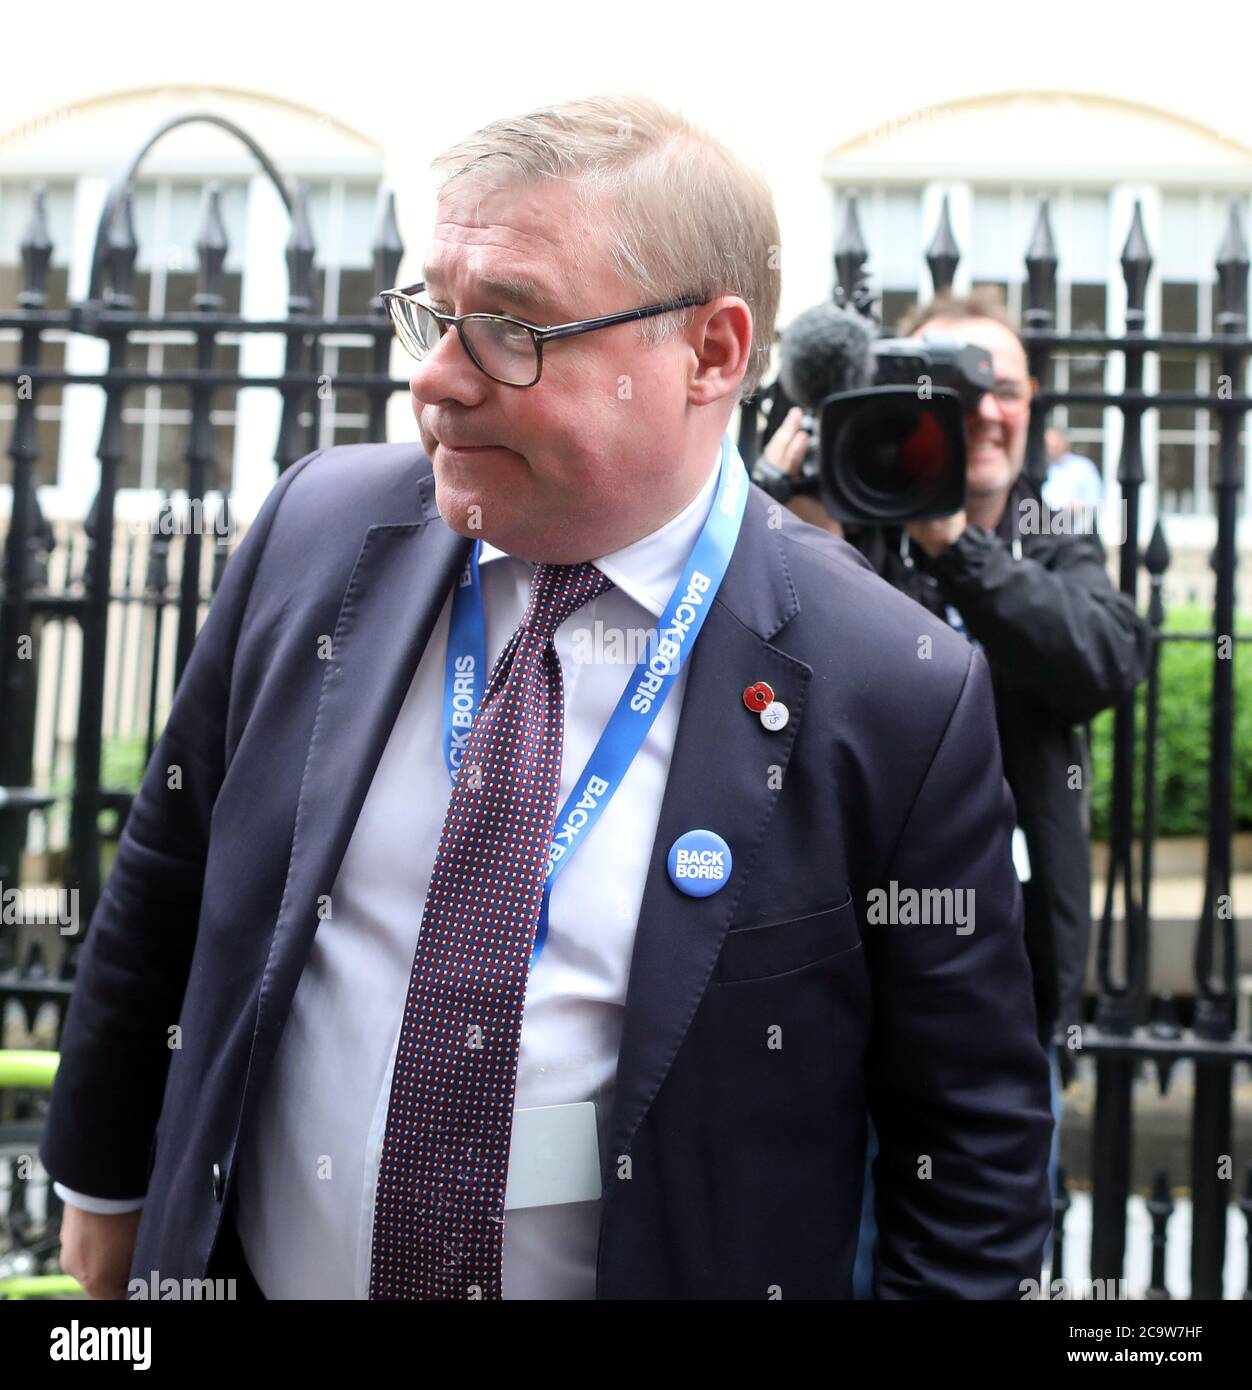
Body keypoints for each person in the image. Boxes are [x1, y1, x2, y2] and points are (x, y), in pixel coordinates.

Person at [42, 97, 1052, 1302]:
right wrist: (106, 1185)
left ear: (711, 354)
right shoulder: (316, 530)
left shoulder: (890, 683)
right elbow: (167, 875)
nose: (436, 382)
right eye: (434, 313)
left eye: (511, 329)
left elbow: (974, 1145)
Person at [766, 287, 1152, 1284]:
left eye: (1005, 388)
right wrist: (780, 502)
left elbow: (1102, 658)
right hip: (822, 1005)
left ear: (1032, 411)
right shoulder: (832, 527)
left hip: (1004, 1004)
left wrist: (951, 541)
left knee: (981, 1257)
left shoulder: (1046, 536)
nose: (983, 408)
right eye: (955, 384)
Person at [1042, 426, 1105, 512]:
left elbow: (1097, 499)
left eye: (1055, 446)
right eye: (1048, 446)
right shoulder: (1037, 468)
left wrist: (1079, 506)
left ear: (1065, 444)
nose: (1050, 450)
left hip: (1074, 523)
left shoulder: (1083, 467)